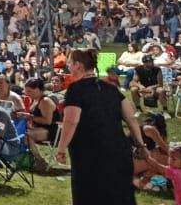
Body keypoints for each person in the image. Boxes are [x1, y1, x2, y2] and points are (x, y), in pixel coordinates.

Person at [55, 47, 143, 205]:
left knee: (91, 196)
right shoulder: (111, 88)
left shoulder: (75, 90)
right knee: (120, 196)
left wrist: (61, 148)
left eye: (70, 62)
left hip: (90, 152)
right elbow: (131, 118)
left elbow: (71, 121)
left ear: (78, 65)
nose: (68, 65)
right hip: (118, 149)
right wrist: (140, 144)